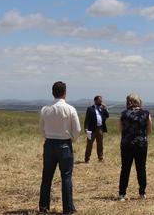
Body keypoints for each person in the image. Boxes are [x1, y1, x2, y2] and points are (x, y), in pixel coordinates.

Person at [39, 81, 81, 215]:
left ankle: (44, 207)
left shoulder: (45, 109)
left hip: (49, 144)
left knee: (46, 177)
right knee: (66, 178)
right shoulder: (70, 109)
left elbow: (41, 129)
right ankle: (68, 209)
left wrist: (48, 136)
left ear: (53, 93)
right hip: (64, 145)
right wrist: (72, 139)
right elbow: (77, 130)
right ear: (65, 92)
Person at [118, 93, 152, 201]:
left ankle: (122, 194)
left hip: (126, 144)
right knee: (141, 168)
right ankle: (142, 193)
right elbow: (149, 130)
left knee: (125, 169)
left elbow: (120, 129)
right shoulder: (146, 113)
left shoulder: (123, 114)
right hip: (141, 144)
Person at [84, 95, 110, 163]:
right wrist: (86, 128)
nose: (101, 101)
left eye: (101, 100)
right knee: (89, 144)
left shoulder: (102, 108)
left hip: (100, 128)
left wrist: (105, 108)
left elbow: (107, 116)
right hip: (91, 129)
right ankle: (87, 159)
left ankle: (100, 158)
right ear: (95, 100)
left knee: (100, 144)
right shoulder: (90, 109)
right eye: (99, 100)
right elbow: (87, 119)